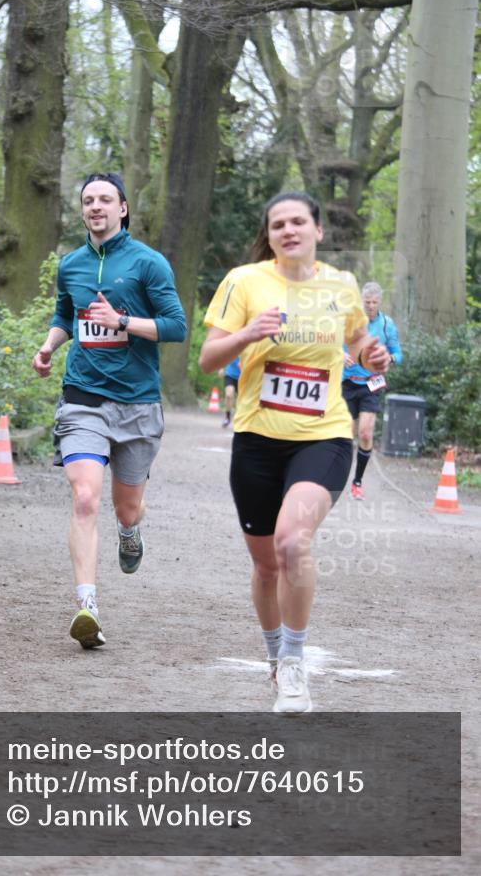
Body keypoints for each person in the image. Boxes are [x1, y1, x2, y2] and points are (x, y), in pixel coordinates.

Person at [199, 192, 390, 714]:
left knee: (291, 543)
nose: (288, 230)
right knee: (264, 568)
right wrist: (247, 334)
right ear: (271, 233)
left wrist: (372, 354)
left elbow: (359, 345)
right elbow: (208, 360)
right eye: (278, 223)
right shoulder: (245, 281)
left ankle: (296, 663)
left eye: (298, 221)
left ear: (317, 230)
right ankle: (274, 661)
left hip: (323, 435)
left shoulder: (341, 284)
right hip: (257, 440)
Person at [32, 172, 186, 650]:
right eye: (88, 201)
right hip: (83, 398)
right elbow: (65, 314)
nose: (95, 207)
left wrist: (121, 320)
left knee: (127, 505)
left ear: (122, 208)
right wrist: (49, 346)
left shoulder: (149, 263)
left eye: (105, 199)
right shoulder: (72, 264)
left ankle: (130, 530)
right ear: (82, 211)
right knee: (84, 497)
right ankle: (87, 606)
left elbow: (176, 327)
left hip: (137, 403)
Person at [342, 281, 403, 500]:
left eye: (374, 302)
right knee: (344, 434)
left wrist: (390, 357)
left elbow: (398, 352)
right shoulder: (350, 321)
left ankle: (357, 481)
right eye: (367, 302)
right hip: (347, 383)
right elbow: (331, 343)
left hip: (371, 384)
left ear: (380, 302)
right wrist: (341, 355)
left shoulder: (387, 324)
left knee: (365, 432)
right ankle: (337, 477)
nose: (370, 306)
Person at [219, 357, 241, 428]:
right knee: (229, 394)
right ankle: (227, 417)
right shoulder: (235, 347)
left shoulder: (249, 347)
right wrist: (221, 368)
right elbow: (225, 355)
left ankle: (240, 419)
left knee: (241, 400)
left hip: (243, 377)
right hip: (230, 375)